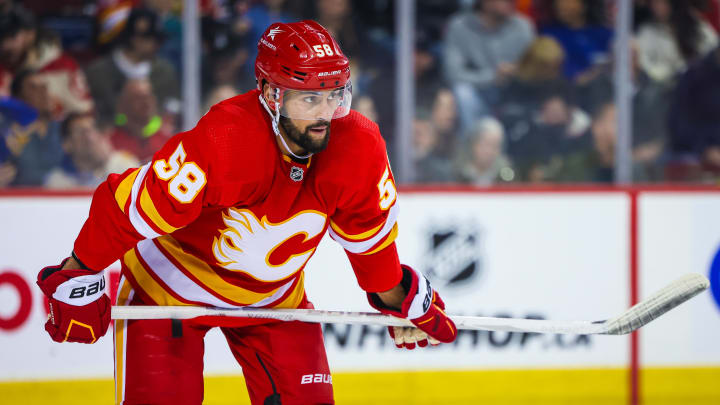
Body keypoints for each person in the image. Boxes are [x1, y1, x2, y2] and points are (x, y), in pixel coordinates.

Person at [35, 21, 457, 405]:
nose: (325, 114)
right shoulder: (225, 143)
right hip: (169, 289)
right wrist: (77, 272)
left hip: (275, 297)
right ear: (271, 93)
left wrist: (403, 300)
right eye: (310, 98)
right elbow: (123, 207)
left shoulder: (358, 147)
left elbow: (371, 250)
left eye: (334, 96)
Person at [442, 0, 534, 130]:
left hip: (514, 92)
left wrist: (515, 71)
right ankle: (471, 145)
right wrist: (492, 76)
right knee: (463, 92)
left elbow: (533, 71)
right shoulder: (460, 26)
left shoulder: (523, 26)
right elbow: (453, 74)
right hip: (479, 93)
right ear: (485, 3)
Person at [45, 112, 139, 189]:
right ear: (67, 144)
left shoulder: (123, 166)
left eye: (92, 129)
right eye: (82, 132)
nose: (90, 137)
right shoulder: (57, 181)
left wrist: (106, 162)